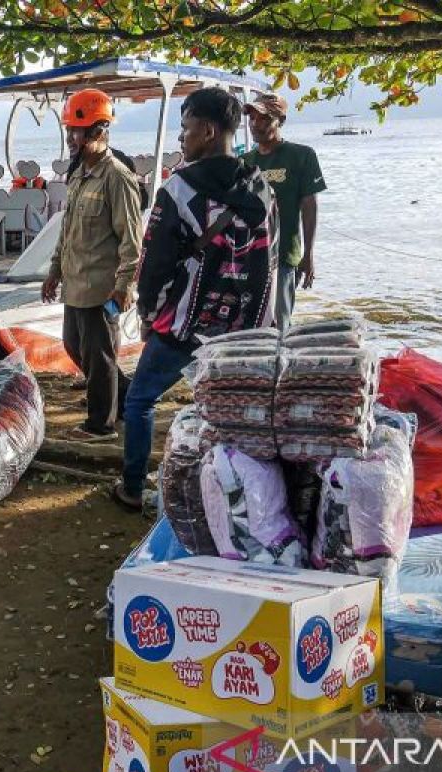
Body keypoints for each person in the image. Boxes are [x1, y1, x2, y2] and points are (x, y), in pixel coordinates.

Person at [113, 87, 278, 511]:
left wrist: (149, 313)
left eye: (185, 129)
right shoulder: (260, 188)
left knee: (141, 400)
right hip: (243, 327)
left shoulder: (179, 189)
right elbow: (270, 260)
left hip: (186, 321)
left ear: (206, 131)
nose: (181, 139)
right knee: (228, 409)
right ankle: (232, 491)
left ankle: (133, 486)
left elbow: (154, 262)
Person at [41, 88, 143, 442]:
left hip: (102, 288)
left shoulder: (117, 177)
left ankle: (100, 426)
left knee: (99, 358)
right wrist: (54, 271)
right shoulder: (78, 175)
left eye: (77, 132)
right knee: (74, 347)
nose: (72, 139)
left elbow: (132, 240)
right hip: (75, 284)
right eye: (70, 131)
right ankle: (128, 398)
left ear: (99, 132)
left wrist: (124, 286)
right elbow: (66, 232)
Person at [242, 93, 325, 332]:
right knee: (249, 326)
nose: (256, 125)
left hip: (284, 256)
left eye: (264, 119)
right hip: (249, 258)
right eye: (252, 118)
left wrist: (308, 254)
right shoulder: (244, 162)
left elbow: (309, 206)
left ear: (280, 120)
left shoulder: (302, 156)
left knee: (279, 324)